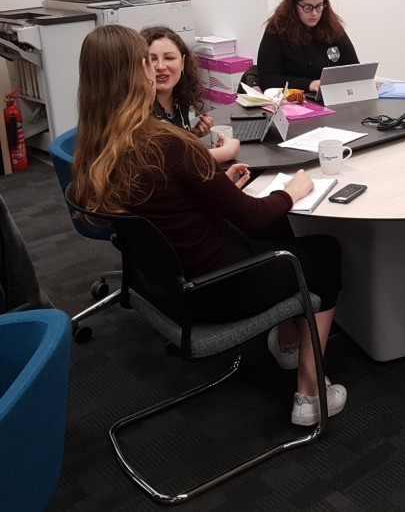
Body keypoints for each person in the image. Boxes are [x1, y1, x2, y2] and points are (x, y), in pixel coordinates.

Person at [71, 24, 347, 426]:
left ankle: (289, 345)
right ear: (135, 74)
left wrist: (214, 188)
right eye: (147, 61)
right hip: (219, 290)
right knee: (322, 252)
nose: (155, 69)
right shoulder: (167, 143)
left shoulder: (98, 146)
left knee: (275, 232)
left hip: (167, 286)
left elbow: (166, 206)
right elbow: (250, 216)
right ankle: (310, 392)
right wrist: (294, 191)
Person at [141, 26, 240, 164]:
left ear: (182, 62)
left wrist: (191, 136)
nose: (161, 66)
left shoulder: (179, 97)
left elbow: (172, 148)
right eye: (152, 60)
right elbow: (168, 163)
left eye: (169, 58)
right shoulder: (139, 110)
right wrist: (226, 152)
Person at [257, 0, 359, 94]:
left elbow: (354, 68)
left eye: (319, 6)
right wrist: (308, 84)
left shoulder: (331, 26)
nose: (315, 13)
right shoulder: (277, 30)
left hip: (332, 97)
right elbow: (267, 79)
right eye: (307, 7)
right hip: (295, 101)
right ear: (294, 6)